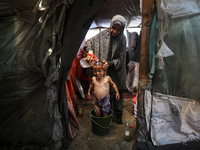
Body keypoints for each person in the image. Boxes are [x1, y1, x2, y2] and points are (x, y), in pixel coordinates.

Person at [84, 15, 126, 122]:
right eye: (113, 27)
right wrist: (90, 51)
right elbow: (88, 42)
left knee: (114, 90)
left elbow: (121, 59)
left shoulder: (122, 39)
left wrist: (110, 63)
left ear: (122, 30)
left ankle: (116, 117)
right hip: (101, 70)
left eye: (118, 29)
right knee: (102, 91)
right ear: (111, 25)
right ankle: (103, 117)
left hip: (115, 70)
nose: (115, 31)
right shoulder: (103, 34)